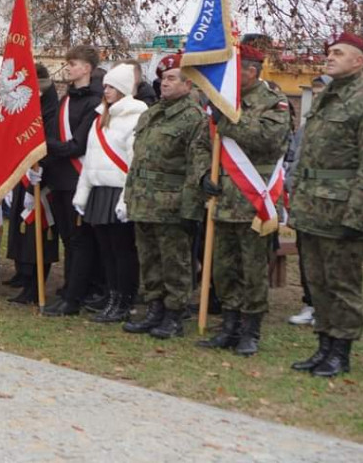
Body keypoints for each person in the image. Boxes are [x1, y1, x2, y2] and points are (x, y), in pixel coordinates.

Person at [196, 44, 290, 356]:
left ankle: (251, 331)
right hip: (223, 199)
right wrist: (202, 178)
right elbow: (201, 146)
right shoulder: (223, 102)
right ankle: (229, 326)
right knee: (224, 270)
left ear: (250, 72)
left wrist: (228, 118)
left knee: (253, 271)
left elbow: (268, 140)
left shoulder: (273, 102)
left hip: (254, 201)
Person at [288, 32, 363, 377]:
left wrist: (357, 213)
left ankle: (342, 350)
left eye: (338, 53)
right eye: (329, 52)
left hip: (342, 209)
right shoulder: (325, 97)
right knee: (316, 282)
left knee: (342, 284)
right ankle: (323, 346)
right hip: (312, 207)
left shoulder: (361, 99)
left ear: (359, 60)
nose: (330, 57)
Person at [121, 53, 208, 338]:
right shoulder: (152, 113)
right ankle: (154, 308)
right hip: (144, 199)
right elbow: (138, 159)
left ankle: (174, 313)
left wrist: (190, 208)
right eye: (162, 78)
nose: (164, 83)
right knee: (149, 260)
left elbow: (197, 166)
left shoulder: (193, 117)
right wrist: (130, 194)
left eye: (171, 78)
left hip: (172, 202)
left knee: (175, 262)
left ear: (188, 84)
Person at [71, 64, 147, 322]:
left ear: (124, 89)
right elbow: (90, 160)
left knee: (123, 251)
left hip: (119, 193)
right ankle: (112, 297)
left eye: (111, 86)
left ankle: (125, 300)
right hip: (99, 191)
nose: (106, 90)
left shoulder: (137, 117)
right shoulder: (101, 118)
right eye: (105, 86)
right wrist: (82, 196)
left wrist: (127, 199)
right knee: (106, 252)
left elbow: (135, 162)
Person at [43, 45, 104, 316]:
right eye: (68, 63)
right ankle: (70, 287)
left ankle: (75, 296)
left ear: (87, 68)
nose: (68, 67)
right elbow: (56, 134)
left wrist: (47, 146)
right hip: (60, 178)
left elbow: (78, 144)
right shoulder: (66, 98)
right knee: (68, 238)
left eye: (74, 63)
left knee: (80, 239)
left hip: (78, 177)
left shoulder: (95, 100)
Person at [6, 63, 60, 305]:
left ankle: (35, 286)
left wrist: (36, 180)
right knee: (22, 233)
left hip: (43, 177)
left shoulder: (51, 108)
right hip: (24, 173)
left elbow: (47, 143)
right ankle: (24, 277)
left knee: (37, 237)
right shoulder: (31, 103)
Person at [285, 74, 330, 326]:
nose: (317, 97)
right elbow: (292, 157)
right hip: (304, 200)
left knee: (329, 259)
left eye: (322, 92)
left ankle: (327, 308)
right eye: (315, 93)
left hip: (330, 201)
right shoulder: (307, 126)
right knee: (307, 255)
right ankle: (311, 303)